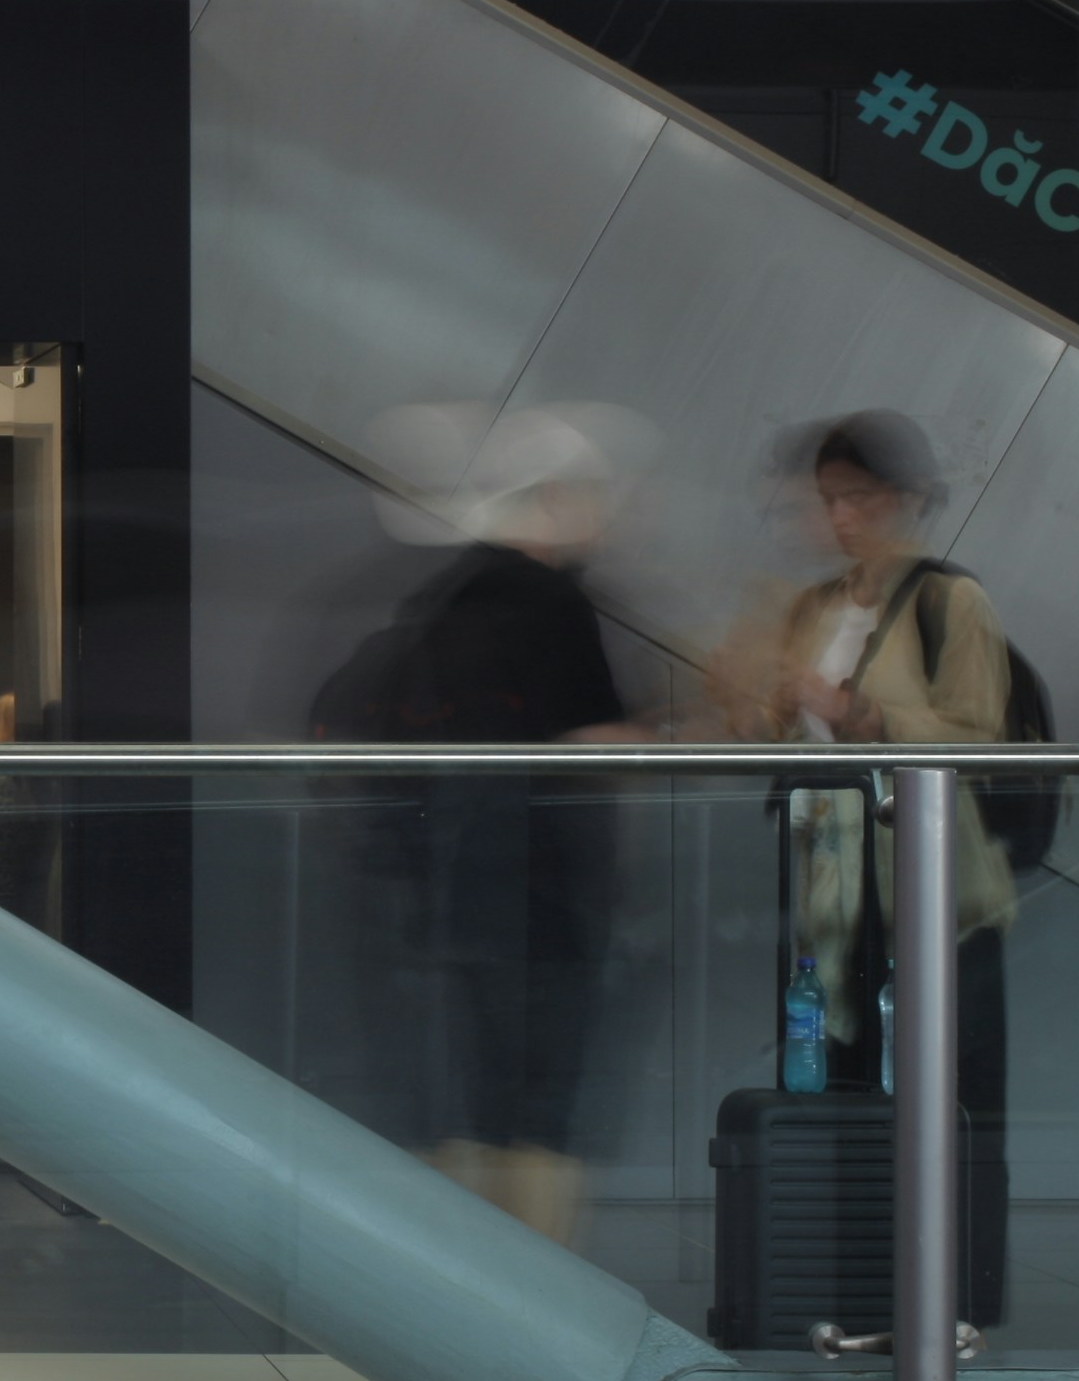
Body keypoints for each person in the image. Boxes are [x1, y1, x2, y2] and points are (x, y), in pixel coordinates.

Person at [311, 408, 636, 1244]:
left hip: (441, 892)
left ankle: (452, 1281)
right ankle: (530, 1294)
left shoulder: (443, 596)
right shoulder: (551, 602)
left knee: (464, 1095)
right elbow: (590, 744)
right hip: (539, 892)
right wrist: (700, 738)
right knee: (538, 1103)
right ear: (555, 497)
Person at [707, 411, 1017, 1142]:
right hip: (828, 901)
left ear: (907, 498)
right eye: (830, 500)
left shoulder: (948, 601)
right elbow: (780, 736)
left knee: (947, 1110)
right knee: (842, 1104)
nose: (842, 517)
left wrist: (863, 714)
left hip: (931, 899)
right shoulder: (814, 607)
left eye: (859, 497)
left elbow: (983, 740)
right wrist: (758, 705)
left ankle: (949, 1219)